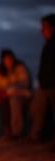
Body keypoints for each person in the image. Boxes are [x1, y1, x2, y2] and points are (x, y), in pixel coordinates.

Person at [0, 49, 32, 140]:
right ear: (3, 60)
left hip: (18, 94)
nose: (9, 61)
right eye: (6, 59)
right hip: (2, 94)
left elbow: (25, 83)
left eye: (10, 59)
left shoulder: (20, 68)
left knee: (5, 102)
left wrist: (11, 88)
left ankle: (8, 130)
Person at [29, 14, 55, 142]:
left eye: (45, 27)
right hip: (45, 85)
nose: (42, 30)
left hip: (52, 85)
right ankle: (36, 136)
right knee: (36, 109)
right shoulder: (47, 46)